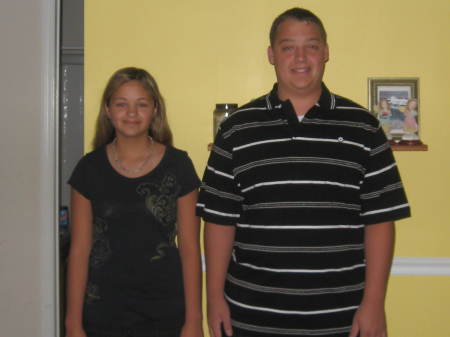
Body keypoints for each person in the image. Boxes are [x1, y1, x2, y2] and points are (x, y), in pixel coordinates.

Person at [197, 8, 410, 337]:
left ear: (326, 52)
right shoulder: (236, 130)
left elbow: (380, 221)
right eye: (287, 47)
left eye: (311, 46)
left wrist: (374, 303)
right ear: (271, 55)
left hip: (342, 316)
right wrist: (213, 300)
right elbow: (218, 222)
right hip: (252, 315)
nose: (300, 57)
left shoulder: (363, 127)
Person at [65, 67, 203, 337]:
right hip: (103, 313)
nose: (131, 113)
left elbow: (189, 248)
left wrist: (194, 320)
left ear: (155, 110)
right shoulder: (88, 169)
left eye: (141, 104)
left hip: (165, 312)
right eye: (121, 104)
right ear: (107, 109)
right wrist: (72, 323)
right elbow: (79, 251)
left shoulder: (179, 166)